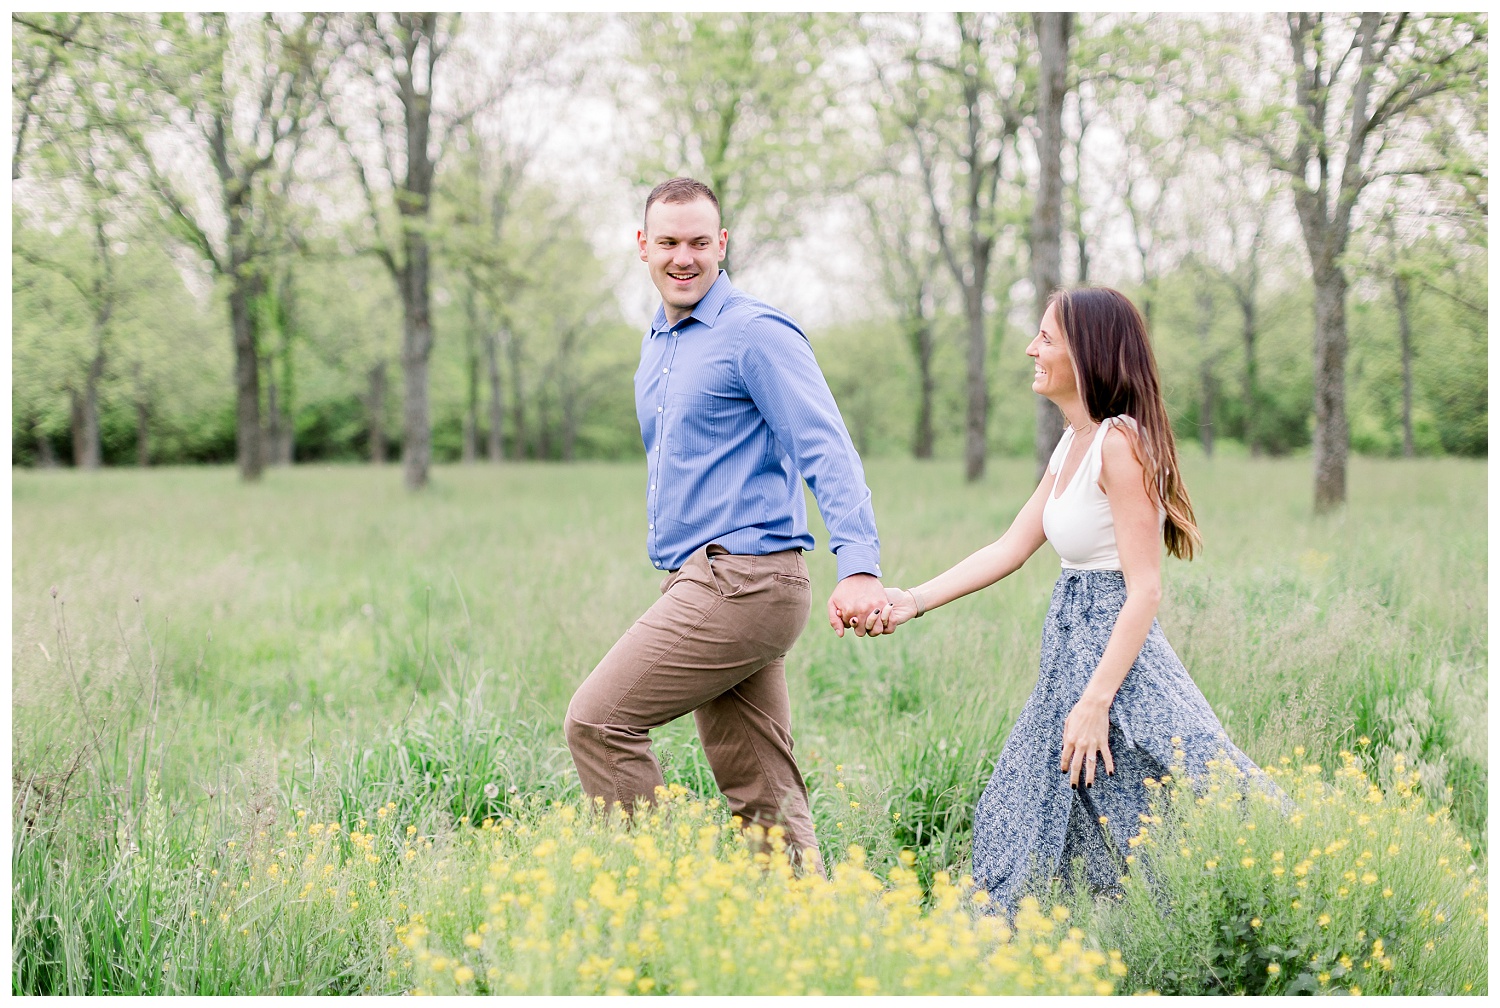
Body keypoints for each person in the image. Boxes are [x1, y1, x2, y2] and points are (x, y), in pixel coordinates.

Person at [867, 286, 1275, 908]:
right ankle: (1058, 937)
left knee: (1182, 799)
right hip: (1068, 651)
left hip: (1116, 659)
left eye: (1046, 338)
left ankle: (1259, 913)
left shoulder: (1119, 444)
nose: (1031, 348)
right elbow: (1009, 547)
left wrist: (1097, 700)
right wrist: (910, 600)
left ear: (1087, 353)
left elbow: (1144, 590)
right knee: (1039, 804)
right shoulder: (1073, 442)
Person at [564, 177, 889, 873]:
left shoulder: (753, 331)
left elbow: (824, 443)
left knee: (598, 721)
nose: (685, 258)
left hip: (743, 581)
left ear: (723, 244)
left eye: (700, 243)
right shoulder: (659, 342)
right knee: (762, 792)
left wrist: (859, 562)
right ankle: (802, 935)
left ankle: (660, 898)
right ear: (643, 246)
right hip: (705, 578)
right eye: (670, 243)